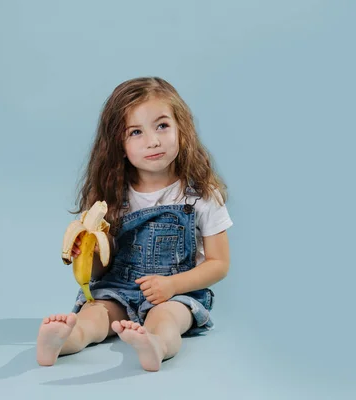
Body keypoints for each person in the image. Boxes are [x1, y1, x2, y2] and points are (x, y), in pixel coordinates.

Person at [36, 76, 233, 372]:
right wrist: (86, 259)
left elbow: (219, 263)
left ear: (182, 128)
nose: (152, 140)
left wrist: (172, 285)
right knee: (95, 316)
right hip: (118, 289)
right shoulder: (110, 199)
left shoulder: (201, 195)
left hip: (176, 293)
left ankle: (157, 345)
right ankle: (63, 340)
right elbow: (104, 267)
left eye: (162, 126)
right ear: (119, 143)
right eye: (136, 132)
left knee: (165, 318)